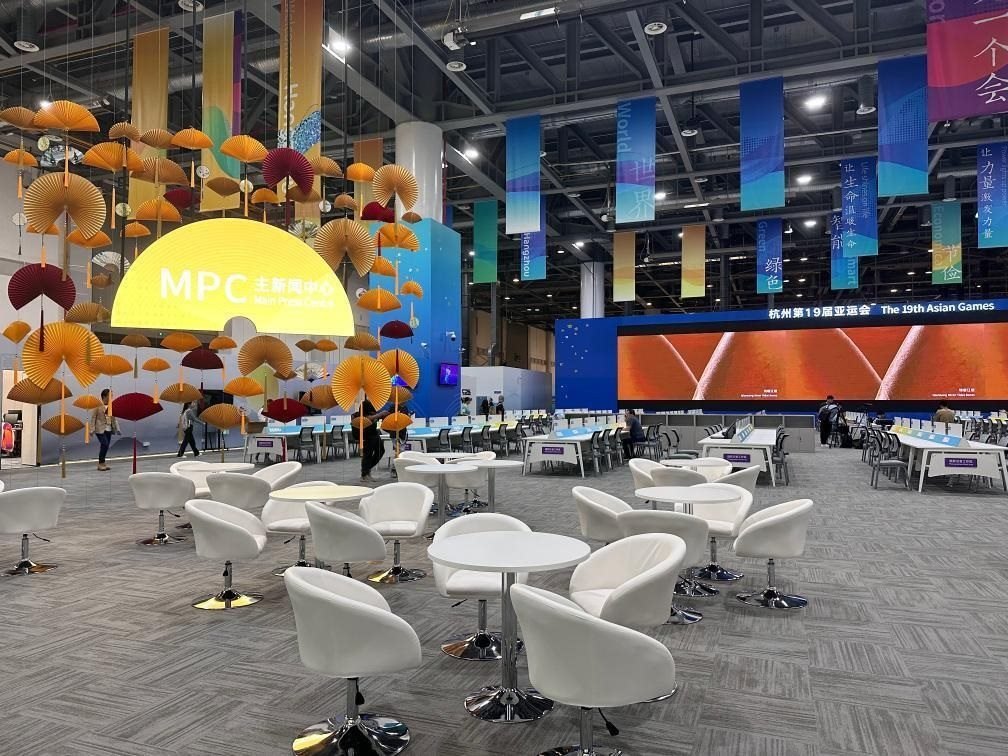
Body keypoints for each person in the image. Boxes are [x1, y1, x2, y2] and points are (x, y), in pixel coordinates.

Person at [354, 400, 390, 481]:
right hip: (366, 435)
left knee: (381, 451)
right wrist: (379, 415)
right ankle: (364, 474)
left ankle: (367, 469)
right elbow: (365, 419)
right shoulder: (363, 410)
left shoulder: (373, 409)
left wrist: (382, 416)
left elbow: (374, 417)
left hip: (374, 434)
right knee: (368, 454)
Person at [91, 389, 118, 471]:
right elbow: (93, 417)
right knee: (105, 444)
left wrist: (116, 428)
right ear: (104, 396)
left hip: (109, 429)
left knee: (106, 446)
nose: (111, 397)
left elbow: (114, 418)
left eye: (112, 395)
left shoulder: (111, 406)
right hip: (100, 429)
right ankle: (100, 463)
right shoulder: (98, 406)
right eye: (110, 395)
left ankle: (103, 463)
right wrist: (92, 429)